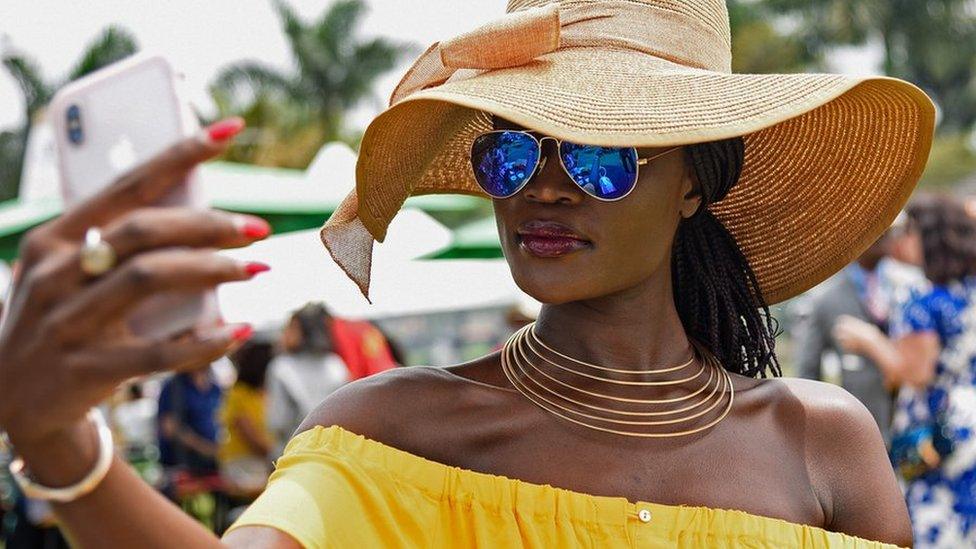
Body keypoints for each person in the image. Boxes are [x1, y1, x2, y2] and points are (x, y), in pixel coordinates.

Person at [0, 1, 936, 547]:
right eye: (512, 154)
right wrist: (54, 439)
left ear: (695, 180)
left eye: (602, 155)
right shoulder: (392, 434)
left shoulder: (821, 444)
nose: (550, 190)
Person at [834, 195, 976, 547]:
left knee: (937, 523)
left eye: (906, 231)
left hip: (939, 430)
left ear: (927, 237)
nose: (898, 240)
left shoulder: (924, 302)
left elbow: (916, 373)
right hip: (970, 418)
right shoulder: (968, 291)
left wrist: (869, 342)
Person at [792, 233, 898, 441]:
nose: (881, 235)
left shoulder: (907, 287)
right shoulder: (827, 299)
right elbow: (807, 373)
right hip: (858, 432)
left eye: (888, 228)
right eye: (873, 230)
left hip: (910, 430)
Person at [267, 303, 350, 453]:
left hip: (293, 453)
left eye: (290, 328)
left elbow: (277, 422)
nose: (284, 333)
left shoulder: (281, 367)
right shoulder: (336, 364)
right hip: (332, 453)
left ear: (305, 330)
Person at [220, 341, 275, 496]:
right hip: (244, 465)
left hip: (264, 461)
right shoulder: (239, 394)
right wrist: (278, 453)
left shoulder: (264, 394)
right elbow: (250, 436)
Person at [157, 369, 223, 478]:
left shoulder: (214, 387)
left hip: (211, 464)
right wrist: (203, 447)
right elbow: (168, 428)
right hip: (182, 466)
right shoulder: (173, 388)